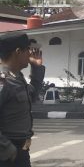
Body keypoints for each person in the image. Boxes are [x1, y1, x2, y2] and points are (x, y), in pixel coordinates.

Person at [0, 32, 45, 167]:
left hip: (21, 150)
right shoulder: (3, 81)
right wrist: (8, 149)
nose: (30, 54)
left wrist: (36, 68)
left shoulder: (17, 77)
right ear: (18, 52)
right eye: (28, 50)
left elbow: (31, 96)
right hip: (7, 153)